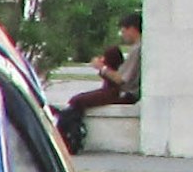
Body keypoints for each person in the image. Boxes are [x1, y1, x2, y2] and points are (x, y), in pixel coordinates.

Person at [59, 13, 143, 154]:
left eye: (123, 31)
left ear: (132, 29)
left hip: (125, 93)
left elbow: (121, 79)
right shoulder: (137, 48)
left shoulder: (137, 50)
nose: (123, 35)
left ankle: (72, 137)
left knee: (78, 100)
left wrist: (102, 68)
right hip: (121, 90)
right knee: (78, 100)